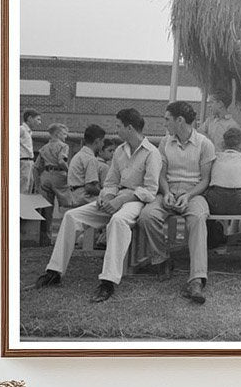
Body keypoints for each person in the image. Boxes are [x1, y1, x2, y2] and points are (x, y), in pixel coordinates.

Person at [33, 108, 161, 303]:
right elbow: (110, 182)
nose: (115, 130)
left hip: (135, 201)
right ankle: (54, 272)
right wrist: (106, 196)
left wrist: (119, 200)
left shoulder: (152, 153)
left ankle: (108, 282)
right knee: (71, 216)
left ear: (129, 127)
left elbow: (150, 190)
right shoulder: (120, 150)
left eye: (118, 126)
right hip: (115, 196)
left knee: (118, 221)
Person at [137, 100, 215, 304]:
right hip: (167, 191)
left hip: (194, 194)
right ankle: (162, 259)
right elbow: (160, 174)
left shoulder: (204, 144)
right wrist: (167, 192)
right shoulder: (165, 142)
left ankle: (196, 279)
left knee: (198, 219)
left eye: (167, 119)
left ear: (180, 120)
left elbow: (205, 180)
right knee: (147, 216)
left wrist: (187, 196)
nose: (165, 124)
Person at [203, 126, 241, 250]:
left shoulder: (215, 157)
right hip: (239, 203)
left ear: (223, 144)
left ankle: (211, 237)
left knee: (204, 205)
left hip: (216, 203)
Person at [34, 123, 70, 246]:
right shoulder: (63, 146)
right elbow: (61, 160)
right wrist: (69, 171)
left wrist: (38, 182)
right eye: (64, 134)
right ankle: (64, 239)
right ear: (57, 134)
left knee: (45, 210)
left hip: (45, 176)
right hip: (59, 176)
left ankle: (45, 240)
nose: (66, 136)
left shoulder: (43, 148)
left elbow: (36, 167)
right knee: (65, 207)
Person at [65, 124, 107, 208]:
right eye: (102, 141)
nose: (103, 144)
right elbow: (89, 187)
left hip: (73, 196)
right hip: (83, 198)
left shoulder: (79, 155)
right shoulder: (90, 159)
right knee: (109, 207)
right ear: (97, 141)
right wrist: (105, 193)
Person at [20, 109, 40, 194]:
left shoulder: (28, 132)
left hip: (29, 162)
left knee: (29, 184)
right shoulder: (21, 129)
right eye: (38, 119)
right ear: (30, 118)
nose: (39, 122)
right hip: (24, 161)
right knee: (23, 186)